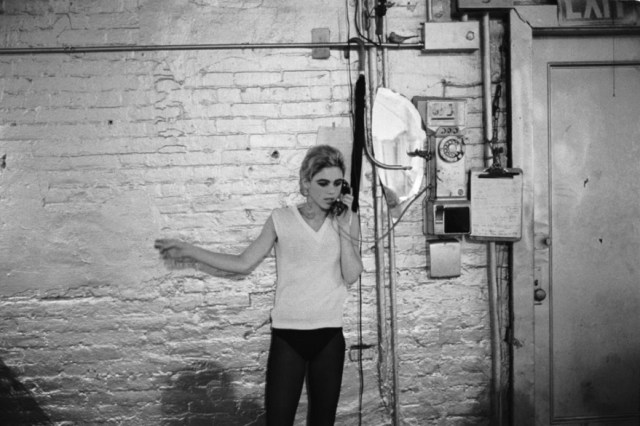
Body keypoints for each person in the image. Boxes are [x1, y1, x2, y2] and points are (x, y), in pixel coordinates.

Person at [154, 144, 363, 426]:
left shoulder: (347, 220)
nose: (332, 191)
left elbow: (351, 275)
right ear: (305, 183)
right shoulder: (282, 218)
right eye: (323, 183)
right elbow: (243, 263)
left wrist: (344, 225)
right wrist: (192, 251)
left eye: (338, 183)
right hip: (288, 336)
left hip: (329, 337)